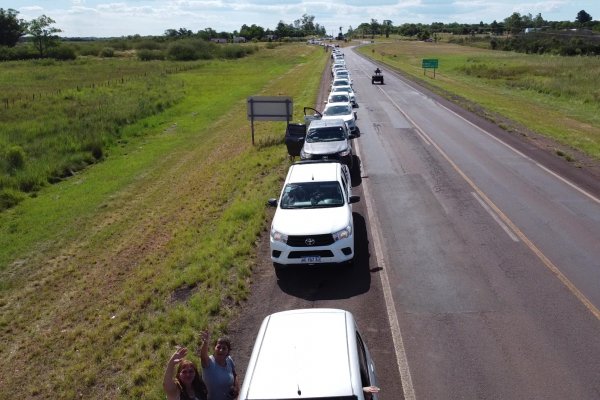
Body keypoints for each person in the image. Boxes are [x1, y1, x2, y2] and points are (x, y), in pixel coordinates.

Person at [199, 331, 240, 400]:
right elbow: (203, 356)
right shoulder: (208, 362)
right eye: (218, 347)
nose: (221, 350)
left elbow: (235, 374)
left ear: (228, 351)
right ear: (214, 348)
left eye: (224, 348)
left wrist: (236, 388)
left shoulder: (229, 360)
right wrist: (205, 343)